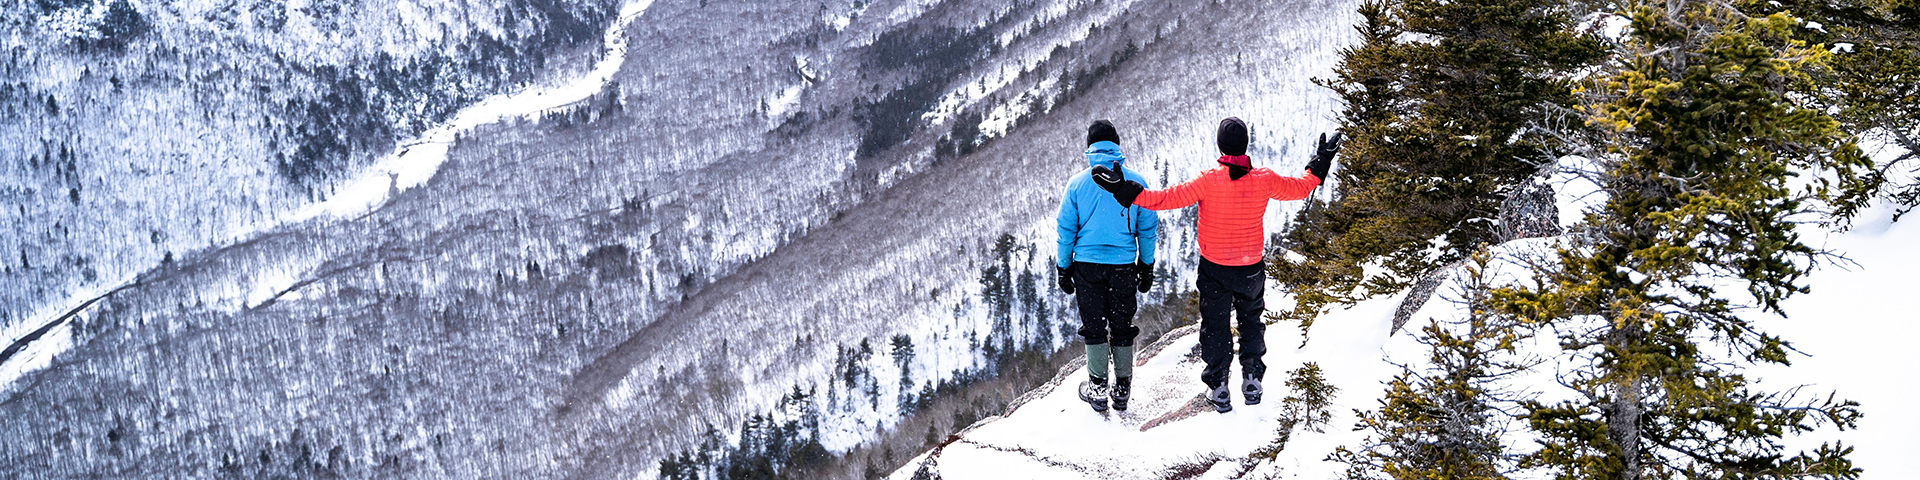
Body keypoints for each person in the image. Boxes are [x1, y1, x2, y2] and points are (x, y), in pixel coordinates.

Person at [1090, 117, 1340, 413]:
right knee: (1251, 321)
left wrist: (1123, 190)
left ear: (1220, 145)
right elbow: (1301, 187)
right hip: (1250, 267)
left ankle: (1219, 387)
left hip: (1215, 267)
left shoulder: (1208, 180)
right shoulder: (1264, 178)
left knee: (1215, 326)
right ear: (1245, 144)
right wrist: (1321, 159)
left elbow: (1163, 200)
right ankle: (1252, 380)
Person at [1058, 120, 1159, 413]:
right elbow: (1147, 228)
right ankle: (1123, 389)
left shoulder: (1077, 184)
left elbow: (1066, 230)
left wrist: (1063, 267)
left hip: (1087, 266)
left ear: (1090, 148)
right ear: (1117, 146)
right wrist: (1147, 264)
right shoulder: (1135, 181)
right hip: (1123, 265)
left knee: (1094, 326)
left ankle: (1098, 388)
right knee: (1122, 325)